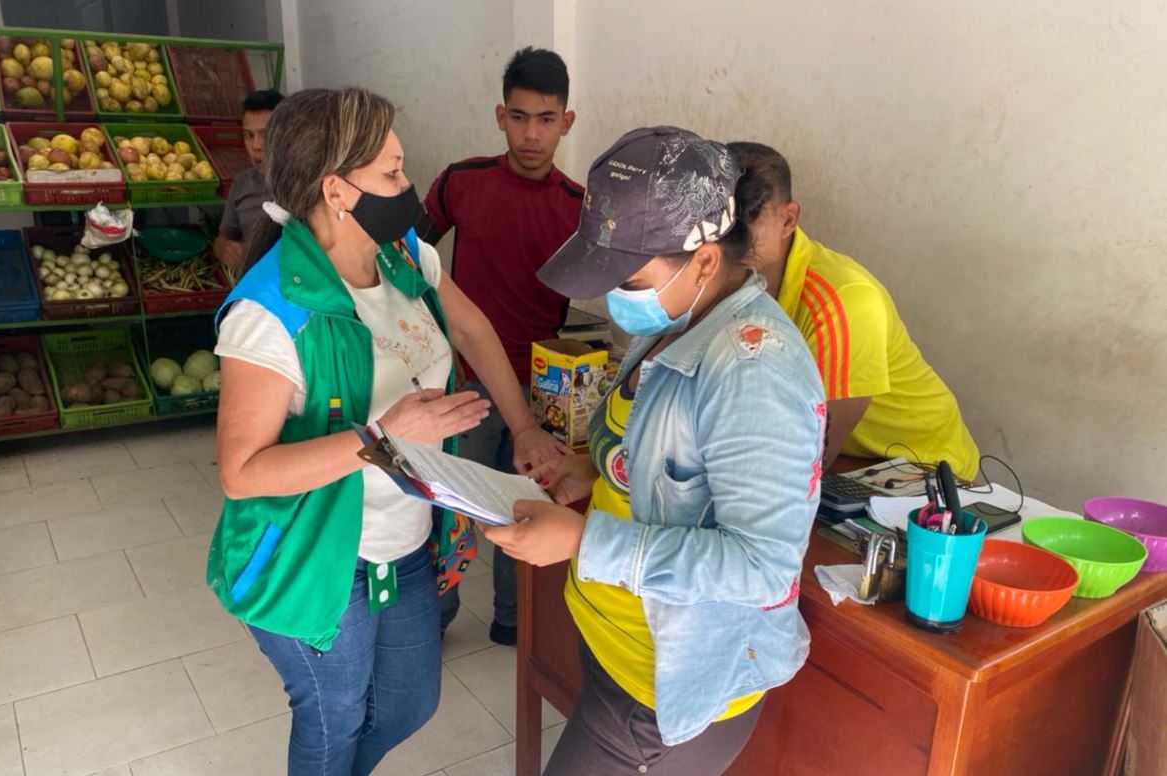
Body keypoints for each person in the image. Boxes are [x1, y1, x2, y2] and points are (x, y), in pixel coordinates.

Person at [208, 87, 562, 776]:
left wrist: (522, 426)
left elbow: (469, 327)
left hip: (407, 539)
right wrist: (383, 434)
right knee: (332, 715)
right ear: (336, 189)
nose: (409, 186)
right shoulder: (271, 309)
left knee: (409, 704)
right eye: (393, 173)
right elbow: (241, 472)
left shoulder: (400, 252)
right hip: (321, 557)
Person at [484, 127, 827, 775]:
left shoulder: (755, 368)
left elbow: (762, 567)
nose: (616, 296)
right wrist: (587, 467)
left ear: (703, 259)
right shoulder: (676, 321)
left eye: (630, 277)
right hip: (618, 648)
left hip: (663, 688)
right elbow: (652, 451)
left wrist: (583, 542)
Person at [419, 46, 578, 645]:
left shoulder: (580, 208)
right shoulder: (462, 182)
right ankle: (434, 619)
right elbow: (410, 258)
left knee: (526, 504)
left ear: (567, 121)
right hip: (462, 379)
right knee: (450, 506)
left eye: (545, 119)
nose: (531, 133)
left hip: (543, 390)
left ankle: (516, 623)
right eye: (518, 117)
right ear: (498, 115)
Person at [727, 141, 981, 478]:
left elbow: (811, 459)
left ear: (788, 219)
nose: (728, 243)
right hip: (847, 459)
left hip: (925, 466)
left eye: (747, 225)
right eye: (719, 227)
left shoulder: (844, 301)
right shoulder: (726, 275)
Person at [213, 89, 283, 272]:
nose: (256, 146)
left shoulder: (310, 185)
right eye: (248, 135)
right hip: (255, 289)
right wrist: (225, 249)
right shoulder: (243, 183)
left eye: (265, 134)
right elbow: (223, 238)